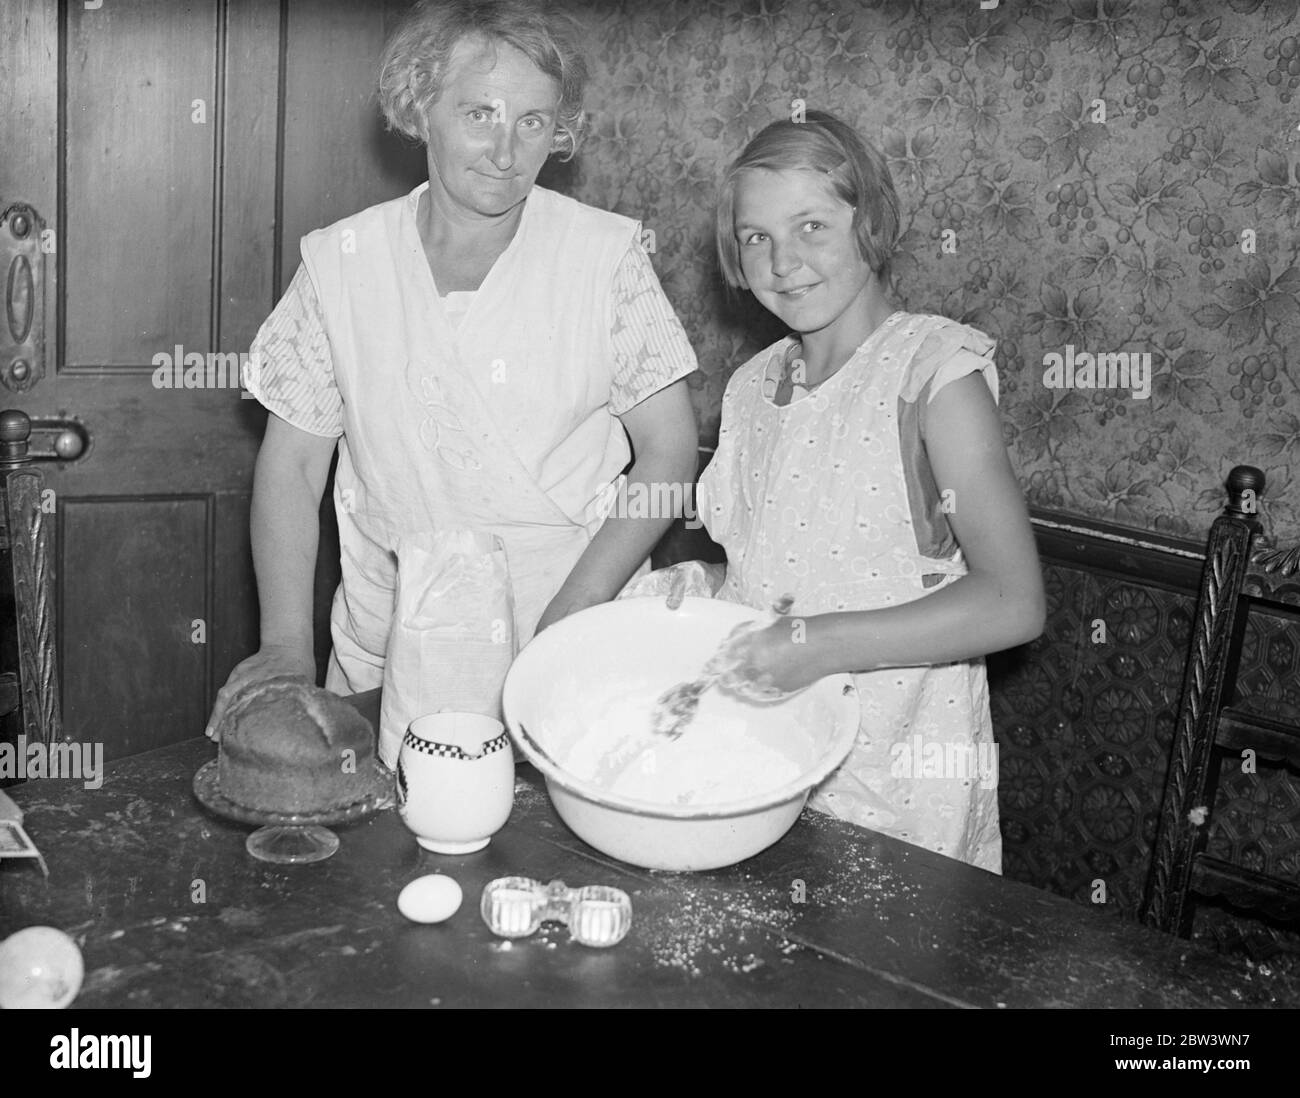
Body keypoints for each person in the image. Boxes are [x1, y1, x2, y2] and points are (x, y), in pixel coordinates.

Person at [206, 0, 698, 764]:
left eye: (534, 122)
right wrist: (283, 645)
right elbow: (294, 465)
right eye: (480, 113)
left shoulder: (602, 258)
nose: (506, 151)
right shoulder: (343, 266)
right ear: (418, 106)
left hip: (570, 637)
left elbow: (668, 454)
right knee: (385, 869)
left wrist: (570, 617)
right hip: (390, 648)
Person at [697, 111, 1045, 872]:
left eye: (812, 225)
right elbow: (778, 569)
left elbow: (1013, 602)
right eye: (756, 237)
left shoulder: (932, 374)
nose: (784, 260)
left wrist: (815, 645)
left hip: (897, 795)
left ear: (872, 224)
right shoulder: (752, 389)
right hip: (767, 767)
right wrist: (696, 594)